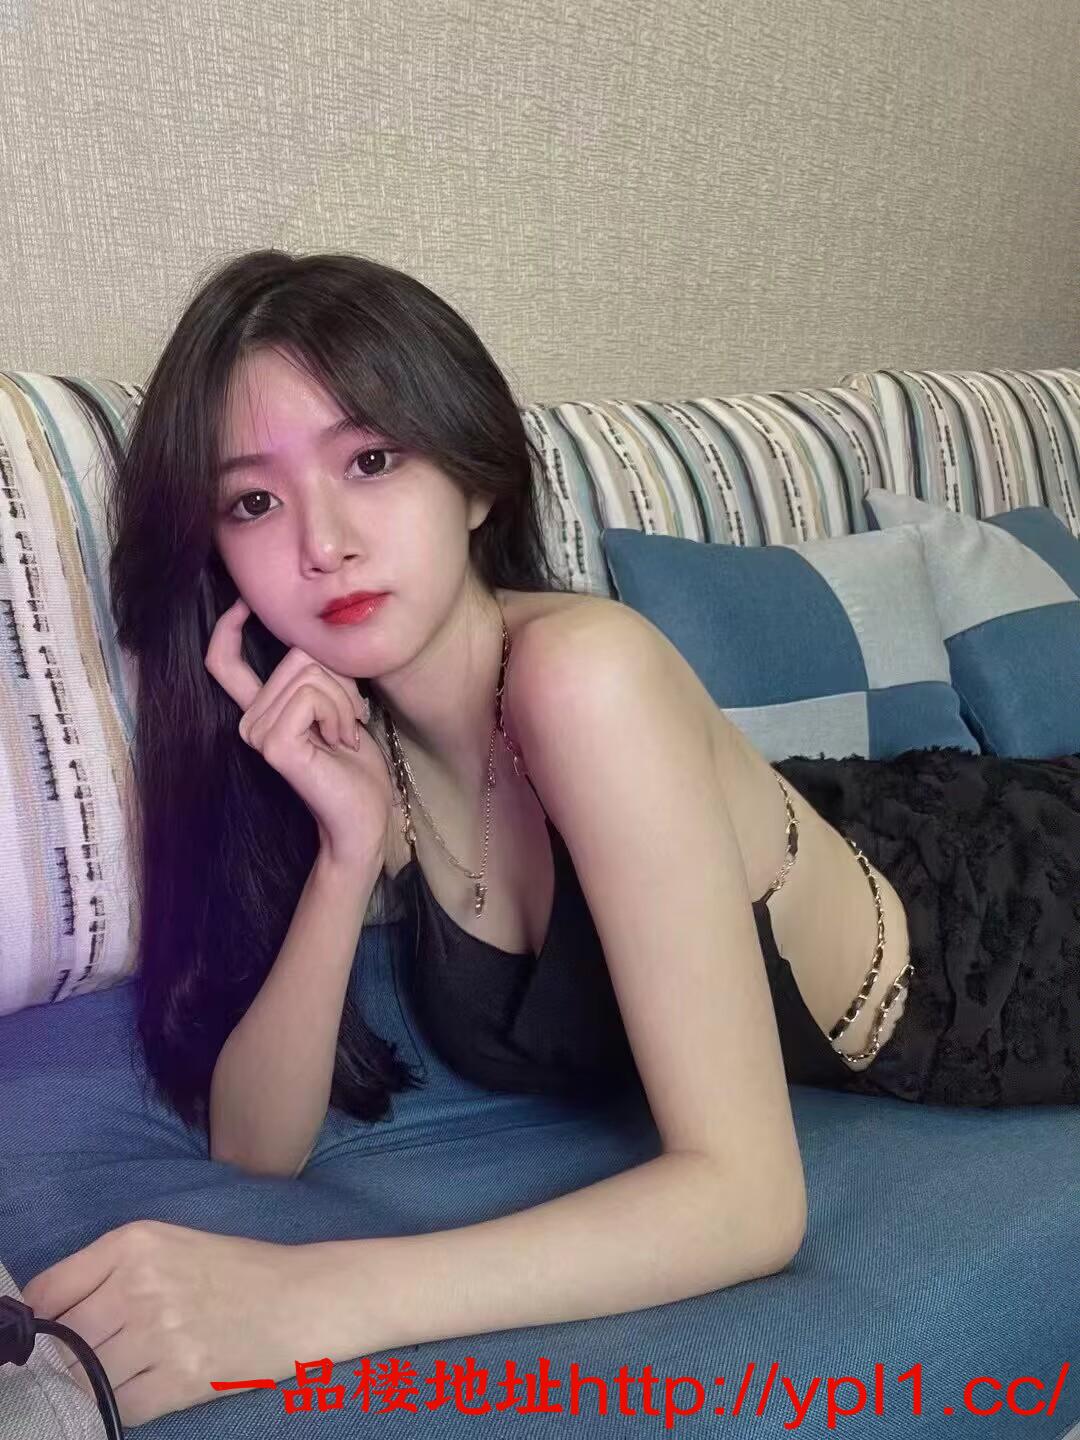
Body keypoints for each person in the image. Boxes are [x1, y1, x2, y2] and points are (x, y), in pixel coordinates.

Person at [25, 247, 1076, 1429]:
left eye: (373, 460)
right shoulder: (367, 748)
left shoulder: (585, 675)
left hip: (1007, 933)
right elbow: (255, 1150)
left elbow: (748, 1204)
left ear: (476, 482)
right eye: (254, 502)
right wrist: (344, 855)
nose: (323, 542)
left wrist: (303, 1299)